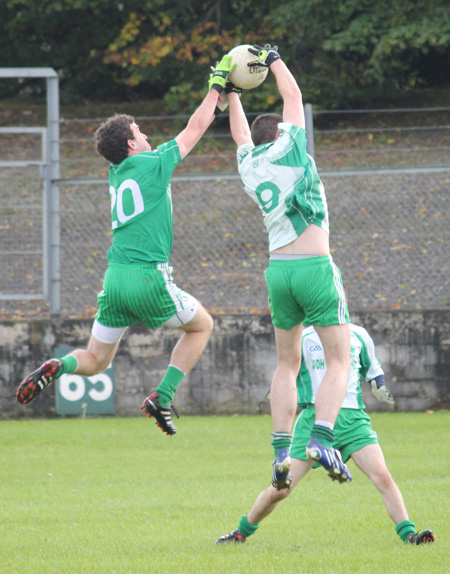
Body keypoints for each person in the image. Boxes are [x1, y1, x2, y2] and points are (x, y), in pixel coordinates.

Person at [16, 55, 237, 436]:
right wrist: (216, 86)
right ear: (133, 144)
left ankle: (59, 365)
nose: (148, 136)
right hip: (149, 277)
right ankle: (163, 396)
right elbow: (195, 127)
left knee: (95, 359)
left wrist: (217, 104)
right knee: (202, 327)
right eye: (141, 131)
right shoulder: (151, 163)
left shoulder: (117, 171)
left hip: (115, 279)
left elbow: (200, 120)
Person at [226, 44, 352, 487]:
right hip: (314, 267)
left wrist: (231, 90)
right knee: (340, 360)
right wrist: (275, 59)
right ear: (280, 133)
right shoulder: (292, 149)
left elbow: (241, 137)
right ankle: (321, 437)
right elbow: (293, 98)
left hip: (278, 272)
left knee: (287, 363)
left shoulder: (250, 165)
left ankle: (282, 449)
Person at [215, 323, 435, 546]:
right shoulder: (303, 338)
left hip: (353, 422)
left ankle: (410, 535)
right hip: (313, 420)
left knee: (383, 477)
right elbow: (286, 373)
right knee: (280, 490)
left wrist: (379, 386)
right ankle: (240, 534)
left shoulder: (359, 335)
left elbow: (374, 371)